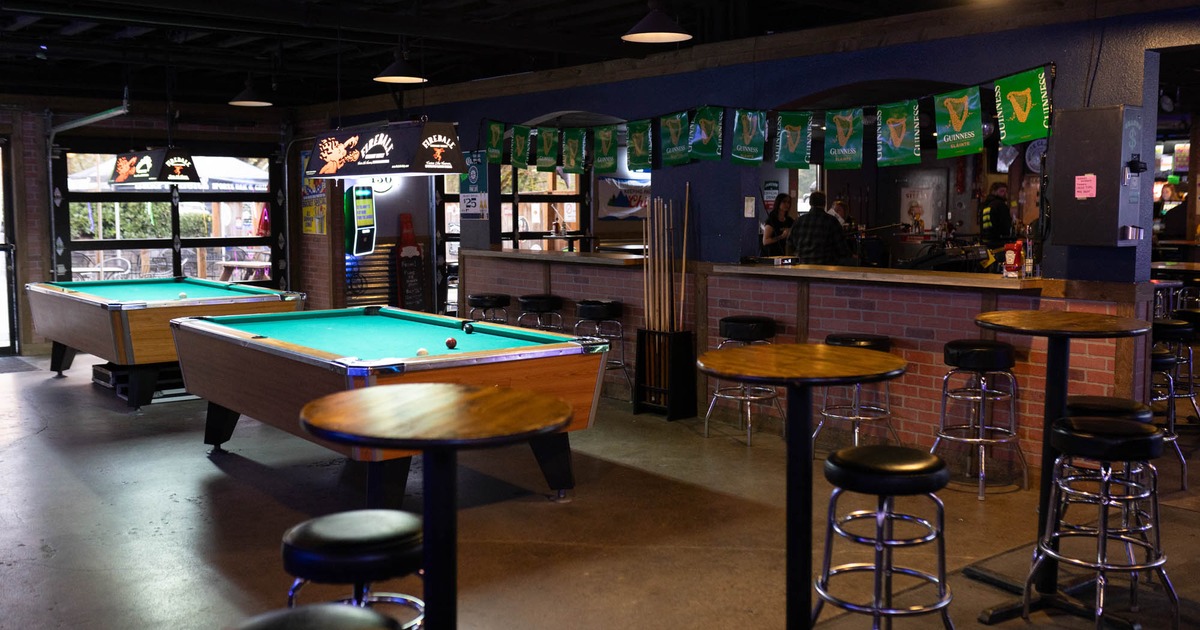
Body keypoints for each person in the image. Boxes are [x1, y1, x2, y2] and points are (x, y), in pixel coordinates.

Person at [788, 191, 855, 265]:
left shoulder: (799, 220)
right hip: (824, 265)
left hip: (802, 264)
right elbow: (841, 249)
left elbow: (790, 244)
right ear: (824, 203)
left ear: (810, 203)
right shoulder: (831, 221)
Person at [979, 182, 1013, 249]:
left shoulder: (985, 205)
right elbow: (1005, 225)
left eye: (1005, 191)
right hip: (998, 242)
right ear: (994, 191)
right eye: (1001, 191)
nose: (1004, 194)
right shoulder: (1000, 205)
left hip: (985, 241)